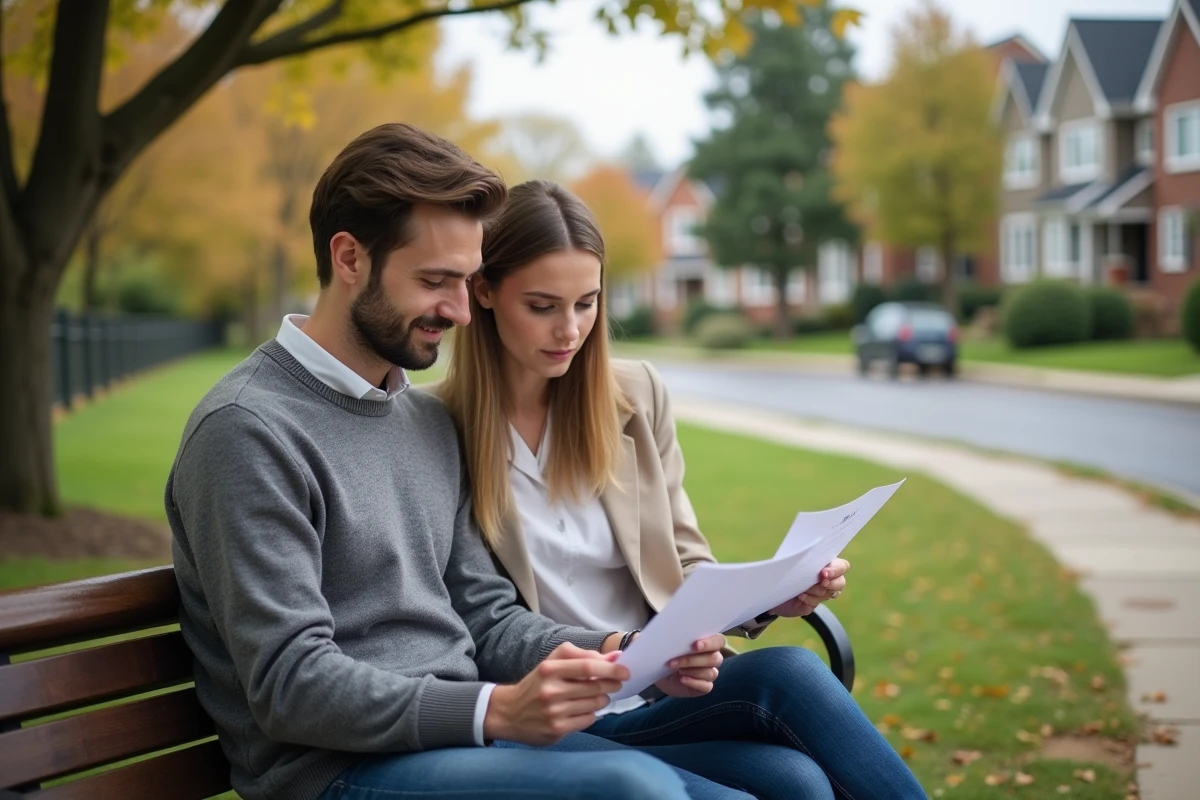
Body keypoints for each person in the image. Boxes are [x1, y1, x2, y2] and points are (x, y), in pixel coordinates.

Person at [166, 124, 744, 800]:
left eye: (468, 282)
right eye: (436, 281)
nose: (463, 313)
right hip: (337, 771)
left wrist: (621, 652)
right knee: (628, 787)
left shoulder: (419, 419)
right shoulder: (247, 430)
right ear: (349, 258)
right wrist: (493, 709)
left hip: (462, 741)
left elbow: (488, 616)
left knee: (780, 777)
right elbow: (290, 682)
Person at [439, 180, 929, 800]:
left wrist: (772, 596)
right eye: (542, 306)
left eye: (587, 303)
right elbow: (488, 623)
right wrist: (625, 650)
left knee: (794, 683)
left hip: (656, 692)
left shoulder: (636, 396)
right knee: (794, 783)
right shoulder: (440, 432)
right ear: (484, 292)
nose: (570, 330)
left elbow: (687, 561)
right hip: (549, 716)